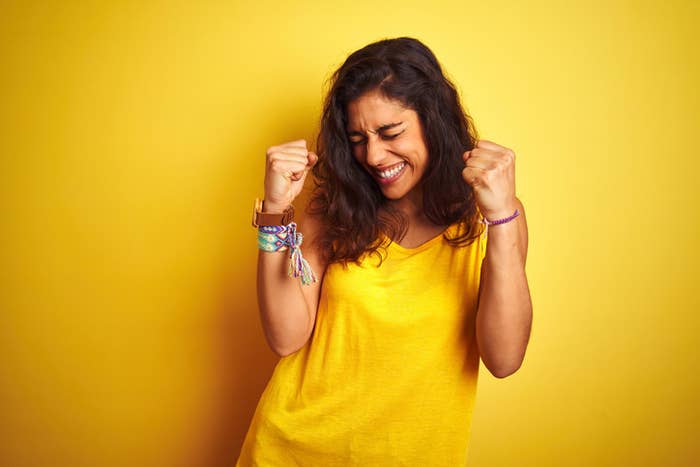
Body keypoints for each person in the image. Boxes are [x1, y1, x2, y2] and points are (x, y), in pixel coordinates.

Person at [238, 36, 532, 466]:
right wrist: (277, 210)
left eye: (390, 132)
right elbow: (285, 337)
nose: (372, 155)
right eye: (357, 138)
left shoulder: (493, 218)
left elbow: (504, 359)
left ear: (433, 121)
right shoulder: (332, 213)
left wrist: (501, 215)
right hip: (291, 452)